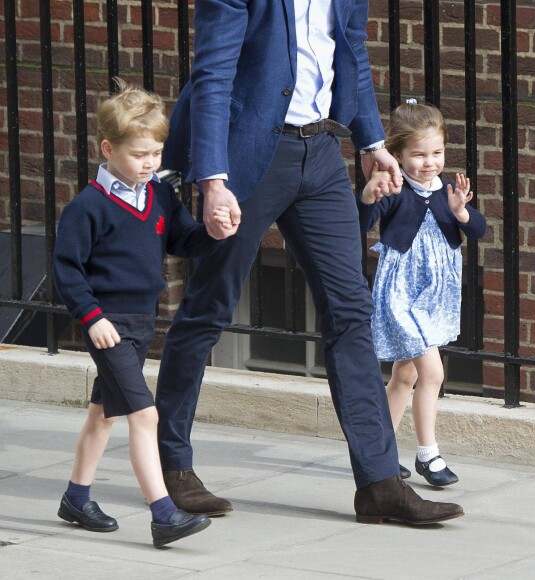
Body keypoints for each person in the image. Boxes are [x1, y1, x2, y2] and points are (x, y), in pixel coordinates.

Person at [157, 0, 464, 525]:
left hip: (320, 151)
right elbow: (211, 77)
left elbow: (352, 53)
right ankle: (171, 467)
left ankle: (379, 484)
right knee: (209, 307)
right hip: (248, 155)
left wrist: (371, 141)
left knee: (351, 312)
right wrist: (212, 180)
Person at [52, 78, 233, 547]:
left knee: (102, 415)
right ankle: (163, 513)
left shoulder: (160, 196)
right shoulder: (87, 207)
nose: (150, 163)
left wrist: (213, 232)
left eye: (156, 153)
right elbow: (66, 271)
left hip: (138, 320)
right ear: (109, 148)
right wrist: (92, 318)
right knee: (145, 415)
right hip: (106, 326)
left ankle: (76, 496)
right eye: (139, 155)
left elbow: (182, 240)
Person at [358, 100, 487, 487]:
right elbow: (361, 224)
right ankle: (428, 455)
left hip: (434, 295)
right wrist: (368, 196)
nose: (429, 162)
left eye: (437, 153)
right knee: (433, 372)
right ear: (396, 154)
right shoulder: (394, 187)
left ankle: (374, 453)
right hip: (402, 293)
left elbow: (478, 230)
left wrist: (462, 212)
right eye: (418, 154)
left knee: (405, 375)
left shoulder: (449, 190)